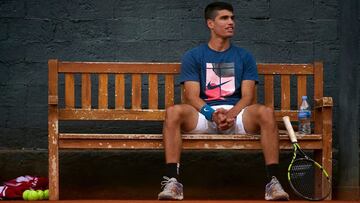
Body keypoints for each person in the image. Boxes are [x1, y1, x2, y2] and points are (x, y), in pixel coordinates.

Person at [157, 2, 289, 201]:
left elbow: (247, 96)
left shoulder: (244, 56)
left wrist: (230, 115)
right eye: (224, 18)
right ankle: (173, 182)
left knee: (267, 112)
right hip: (205, 113)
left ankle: (274, 182)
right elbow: (192, 96)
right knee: (173, 112)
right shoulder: (194, 56)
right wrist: (212, 114)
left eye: (232, 18)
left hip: (237, 114)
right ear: (210, 23)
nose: (231, 22)